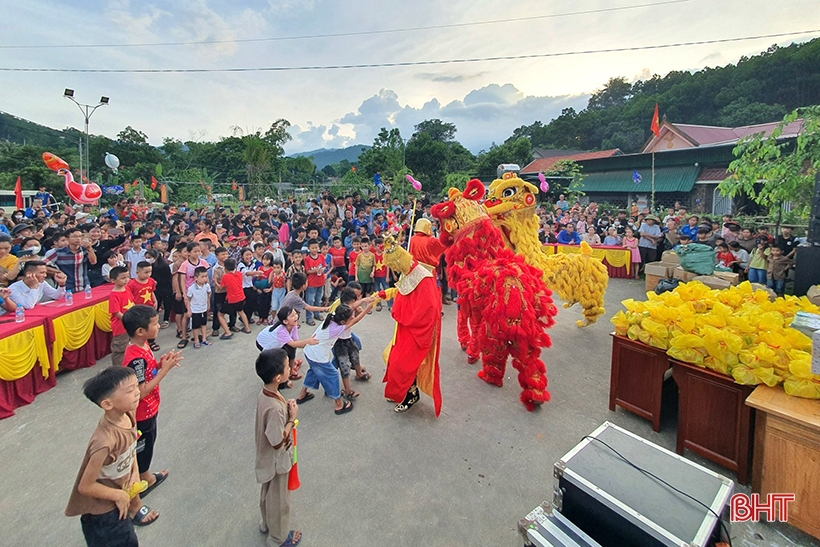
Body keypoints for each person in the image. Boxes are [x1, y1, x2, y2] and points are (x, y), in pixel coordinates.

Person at [64, 367, 141, 547]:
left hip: (119, 498)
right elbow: (86, 485)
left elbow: (131, 446)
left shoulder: (128, 415)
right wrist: (119, 495)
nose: (137, 392)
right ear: (107, 404)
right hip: (104, 512)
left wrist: (135, 472)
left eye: (136, 386)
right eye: (130, 390)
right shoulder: (104, 441)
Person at [121, 305, 183, 527]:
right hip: (141, 413)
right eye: (155, 324)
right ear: (140, 331)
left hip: (150, 409)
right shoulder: (134, 357)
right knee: (138, 452)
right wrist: (164, 371)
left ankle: (146, 476)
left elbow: (150, 371)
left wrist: (160, 364)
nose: (158, 327)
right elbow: (141, 390)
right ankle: (132, 499)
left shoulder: (143, 346)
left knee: (148, 445)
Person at [379, 236, 443, 415]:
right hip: (405, 327)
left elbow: (430, 308)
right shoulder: (409, 271)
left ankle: (410, 394)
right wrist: (382, 295)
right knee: (391, 358)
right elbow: (401, 289)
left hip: (418, 330)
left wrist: (408, 318)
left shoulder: (423, 276)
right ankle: (402, 390)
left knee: (403, 364)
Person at [254, 348, 302, 547]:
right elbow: (276, 441)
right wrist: (291, 418)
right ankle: (278, 538)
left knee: (268, 494)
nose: (291, 366)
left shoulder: (267, 393)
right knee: (280, 500)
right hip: (277, 461)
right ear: (277, 377)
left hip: (266, 459)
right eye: (287, 366)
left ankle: (266, 524)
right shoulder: (274, 408)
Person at [296, 303, 371, 414]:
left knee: (313, 372)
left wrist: (365, 300)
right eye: (350, 317)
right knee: (333, 376)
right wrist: (367, 309)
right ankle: (338, 405)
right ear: (342, 322)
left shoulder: (333, 317)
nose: (352, 317)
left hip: (310, 353)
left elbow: (351, 312)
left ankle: (302, 395)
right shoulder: (336, 328)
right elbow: (355, 321)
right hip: (318, 357)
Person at [256, 306, 319, 386]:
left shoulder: (293, 325)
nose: (296, 316)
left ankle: (291, 370)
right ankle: (283, 381)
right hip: (263, 343)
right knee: (277, 361)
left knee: (291, 349)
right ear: (285, 321)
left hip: (276, 341)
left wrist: (308, 343)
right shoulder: (281, 331)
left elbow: (296, 342)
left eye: (295, 314)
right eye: (292, 316)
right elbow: (294, 343)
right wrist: (308, 341)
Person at [47, 227, 98, 293]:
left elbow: (93, 262)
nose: (78, 239)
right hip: (66, 287)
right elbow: (42, 265)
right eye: (75, 236)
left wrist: (90, 249)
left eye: (80, 236)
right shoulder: (57, 252)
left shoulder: (84, 250)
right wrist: (58, 272)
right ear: (67, 239)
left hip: (84, 286)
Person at [127, 261, 160, 352]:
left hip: (149, 307)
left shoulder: (151, 281)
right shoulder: (131, 284)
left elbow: (151, 291)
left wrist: (155, 300)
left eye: (150, 272)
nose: (148, 275)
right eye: (146, 272)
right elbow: (130, 297)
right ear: (137, 272)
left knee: (150, 326)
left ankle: (151, 341)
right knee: (141, 327)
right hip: (138, 310)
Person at [217, 258, 251, 339]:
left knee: (220, 314)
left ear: (225, 268)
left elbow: (221, 287)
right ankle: (247, 328)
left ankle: (227, 332)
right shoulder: (239, 274)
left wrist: (215, 281)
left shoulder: (225, 276)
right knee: (241, 312)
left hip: (232, 299)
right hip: (241, 297)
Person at [186, 266, 212, 348]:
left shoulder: (207, 286)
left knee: (204, 324)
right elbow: (188, 299)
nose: (204, 279)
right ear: (196, 278)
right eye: (202, 277)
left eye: (206, 276)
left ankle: (204, 339)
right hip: (195, 310)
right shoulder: (191, 288)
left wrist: (208, 303)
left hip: (203, 309)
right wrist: (189, 310)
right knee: (195, 327)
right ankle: (196, 340)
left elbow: (208, 294)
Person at [303, 239, 326, 326]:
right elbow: (307, 271)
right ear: (309, 249)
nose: (315, 249)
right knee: (310, 301)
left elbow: (324, 266)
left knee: (318, 300)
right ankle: (309, 317)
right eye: (312, 248)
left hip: (320, 281)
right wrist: (316, 270)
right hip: (311, 283)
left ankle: (317, 314)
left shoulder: (321, 257)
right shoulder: (307, 259)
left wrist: (322, 269)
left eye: (316, 247)